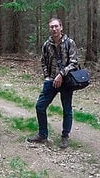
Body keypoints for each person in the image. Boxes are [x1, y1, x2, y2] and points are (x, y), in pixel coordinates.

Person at [27, 17, 79, 149]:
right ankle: (42, 135)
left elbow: (74, 62)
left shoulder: (69, 43)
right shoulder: (46, 45)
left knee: (67, 109)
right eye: (52, 27)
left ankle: (65, 136)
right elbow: (43, 61)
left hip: (66, 81)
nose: (54, 29)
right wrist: (47, 77)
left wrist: (61, 74)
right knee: (40, 106)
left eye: (56, 26)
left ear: (61, 27)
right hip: (51, 80)